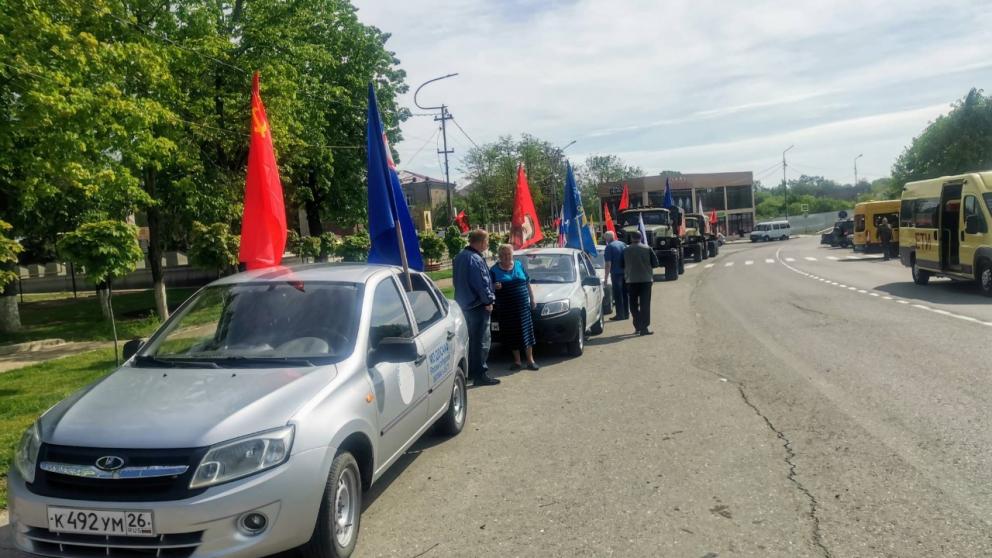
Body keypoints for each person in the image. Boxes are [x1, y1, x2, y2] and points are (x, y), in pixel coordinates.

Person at [452, 229, 500, 386]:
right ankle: (480, 374)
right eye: (487, 241)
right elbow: (481, 283)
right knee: (481, 341)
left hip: (463, 305)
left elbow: (456, 281)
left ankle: (471, 372)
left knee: (470, 341)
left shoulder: (459, 256)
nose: (487, 244)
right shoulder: (475, 259)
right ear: (481, 242)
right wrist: (488, 301)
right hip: (478, 305)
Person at [490, 244, 539, 371]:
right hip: (506, 308)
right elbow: (488, 287)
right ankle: (517, 361)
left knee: (527, 332)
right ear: (499, 256)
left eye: (508, 254)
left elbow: (527, 282)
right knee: (512, 333)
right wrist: (494, 287)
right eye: (503, 255)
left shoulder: (519, 265)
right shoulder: (494, 270)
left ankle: (530, 361)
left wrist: (532, 299)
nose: (506, 257)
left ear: (512, 254)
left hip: (523, 307)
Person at [622, 231, 659, 335]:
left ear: (631, 238)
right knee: (645, 304)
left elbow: (621, 264)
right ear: (641, 237)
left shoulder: (625, 250)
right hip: (646, 280)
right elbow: (655, 263)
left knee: (633, 304)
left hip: (631, 280)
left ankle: (638, 325)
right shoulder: (648, 249)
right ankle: (644, 327)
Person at [602, 231, 629, 321]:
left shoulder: (609, 247)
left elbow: (608, 264)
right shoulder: (623, 244)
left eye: (605, 238)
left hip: (616, 274)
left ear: (607, 238)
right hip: (625, 272)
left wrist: (606, 278)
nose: (605, 240)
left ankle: (620, 315)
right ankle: (626, 313)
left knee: (618, 295)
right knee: (625, 293)